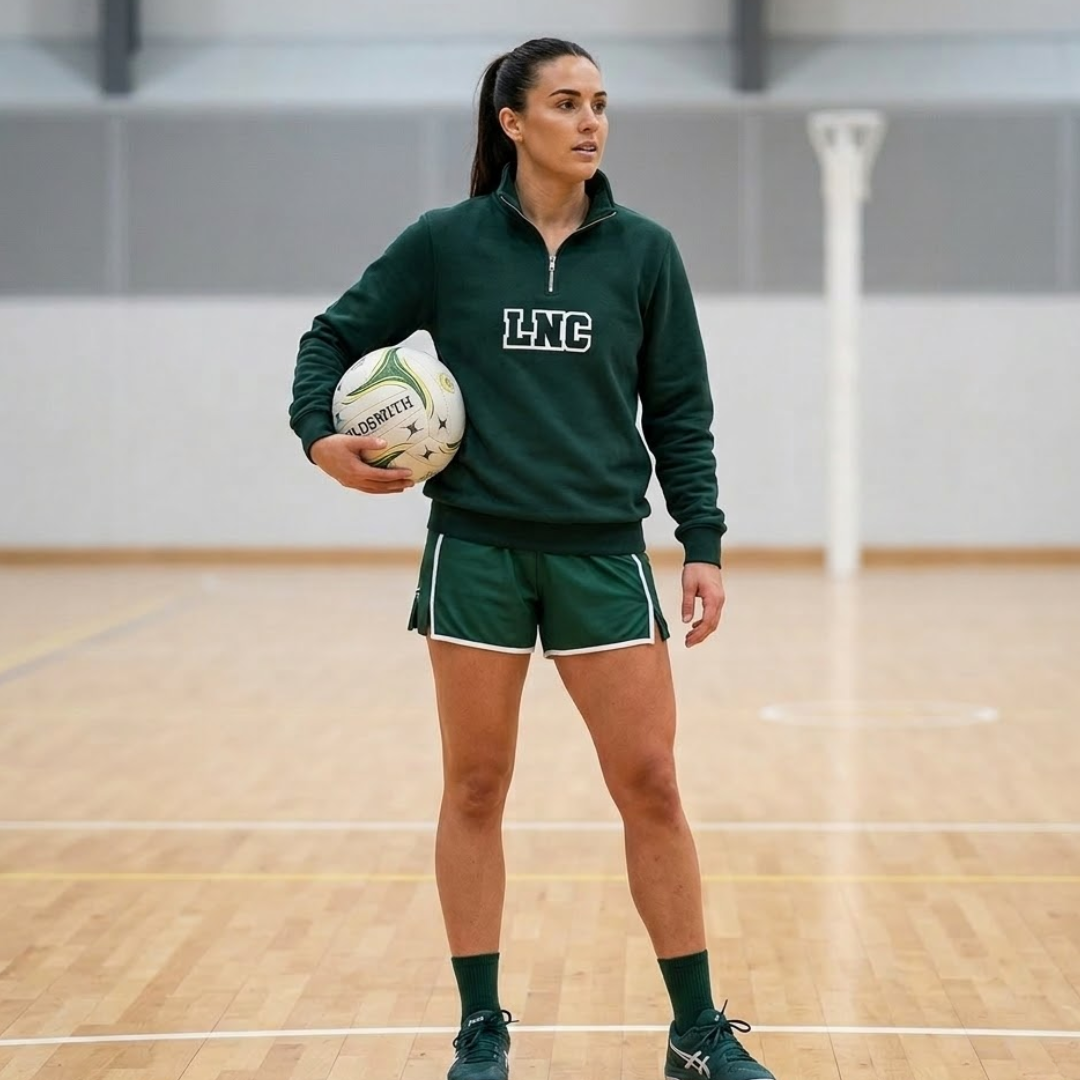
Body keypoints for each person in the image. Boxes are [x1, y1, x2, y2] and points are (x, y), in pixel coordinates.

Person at [290, 36, 775, 1080]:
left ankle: (695, 1030)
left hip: (603, 554)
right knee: (475, 787)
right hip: (477, 549)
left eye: (601, 103)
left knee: (650, 783)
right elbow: (328, 340)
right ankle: (481, 1029)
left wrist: (703, 542)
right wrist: (321, 441)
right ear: (513, 123)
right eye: (566, 103)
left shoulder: (645, 252)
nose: (591, 121)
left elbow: (680, 411)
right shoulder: (445, 243)